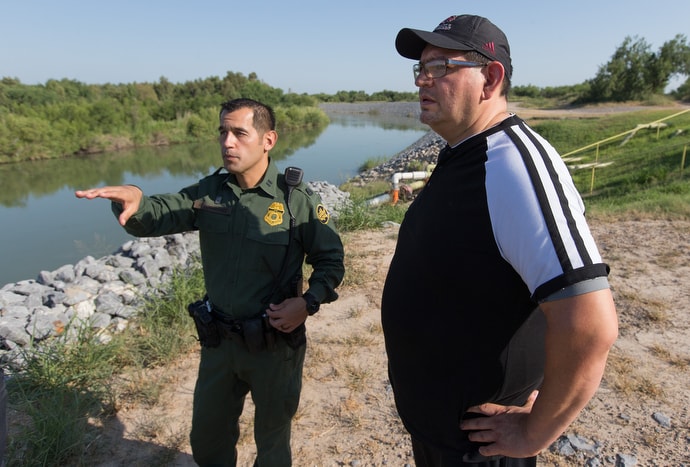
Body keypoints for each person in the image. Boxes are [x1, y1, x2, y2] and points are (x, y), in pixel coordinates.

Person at [381, 14, 618, 466]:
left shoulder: (514, 165)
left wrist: (534, 432)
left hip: (483, 449)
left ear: (490, 78)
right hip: (440, 434)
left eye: (439, 68)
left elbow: (590, 326)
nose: (422, 81)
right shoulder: (463, 154)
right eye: (420, 69)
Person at [76, 98, 345, 466]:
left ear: (268, 140)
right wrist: (136, 201)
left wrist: (308, 302)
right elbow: (158, 214)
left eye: (239, 133)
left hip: (274, 345)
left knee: (272, 441)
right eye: (222, 132)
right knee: (208, 438)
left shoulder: (295, 199)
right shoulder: (211, 192)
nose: (227, 142)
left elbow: (330, 261)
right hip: (219, 344)